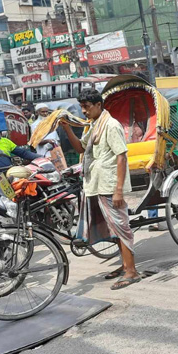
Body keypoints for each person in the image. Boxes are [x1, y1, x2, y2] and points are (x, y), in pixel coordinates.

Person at [61, 88, 139, 291]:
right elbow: (80, 148)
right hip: (96, 184)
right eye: (81, 107)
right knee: (113, 228)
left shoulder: (111, 125)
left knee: (121, 227)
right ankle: (125, 266)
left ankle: (131, 271)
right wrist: (67, 129)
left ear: (98, 105)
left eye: (86, 107)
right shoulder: (95, 125)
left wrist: (118, 190)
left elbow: (121, 156)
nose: (83, 111)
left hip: (109, 185)